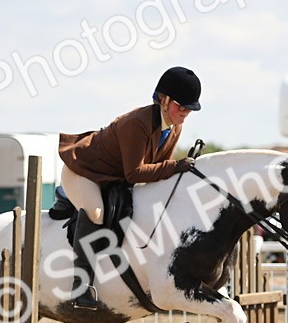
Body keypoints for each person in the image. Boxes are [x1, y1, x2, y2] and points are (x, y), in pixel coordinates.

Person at [58, 66, 202, 310]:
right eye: (181, 105)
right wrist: (175, 166)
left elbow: (154, 168)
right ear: (164, 100)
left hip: (115, 177)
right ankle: (80, 287)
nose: (186, 111)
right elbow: (135, 173)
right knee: (96, 212)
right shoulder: (137, 123)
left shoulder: (175, 127)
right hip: (84, 171)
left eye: (190, 108)